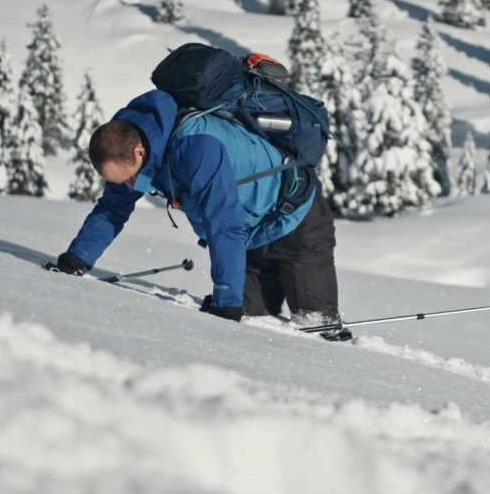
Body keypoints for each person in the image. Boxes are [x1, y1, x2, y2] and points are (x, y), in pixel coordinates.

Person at [46, 88, 341, 331]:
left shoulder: (196, 148)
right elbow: (112, 207)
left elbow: (223, 223)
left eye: (130, 178)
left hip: (297, 222)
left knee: (315, 328)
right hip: (249, 237)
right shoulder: (129, 145)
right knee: (252, 327)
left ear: (139, 151)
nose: (129, 186)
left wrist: (226, 303)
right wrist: (76, 260)